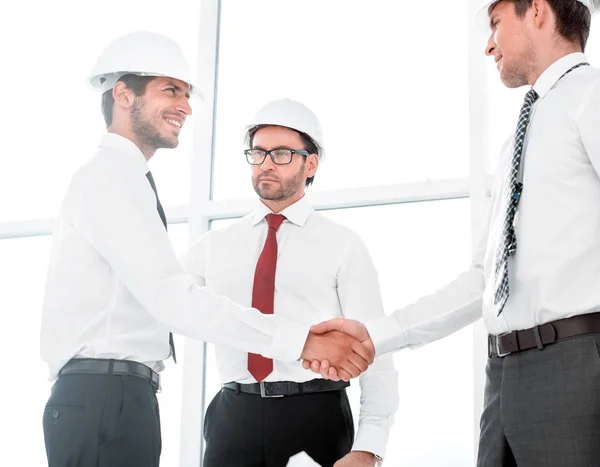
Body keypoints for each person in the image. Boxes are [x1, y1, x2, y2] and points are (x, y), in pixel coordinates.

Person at [40, 32, 373, 467]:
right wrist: (300, 340)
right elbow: (176, 298)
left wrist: (371, 441)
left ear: (312, 163)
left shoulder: (126, 180)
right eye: (170, 90)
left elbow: (169, 293)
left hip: (121, 393)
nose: (185, 106)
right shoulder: (111, 180)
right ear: (123, 94)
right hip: (107, 393)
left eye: (185, 93)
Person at [307, 1, 600, 465]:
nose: (489, 45)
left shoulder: (592, 95)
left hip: (575, 365)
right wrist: (377, 335)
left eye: (496, 24)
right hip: (502, 377)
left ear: (538, 12)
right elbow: (486, 279)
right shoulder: (517, 141)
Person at [180, 98, 399, 467]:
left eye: (281, 154)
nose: (266, 163)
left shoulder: (342, 245)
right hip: (233, 416)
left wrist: (369, 446)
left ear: (310, 163)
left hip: (318, 415)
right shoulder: (213, 246)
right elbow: (164, 302)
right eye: (258, 153)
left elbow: (375, 348)